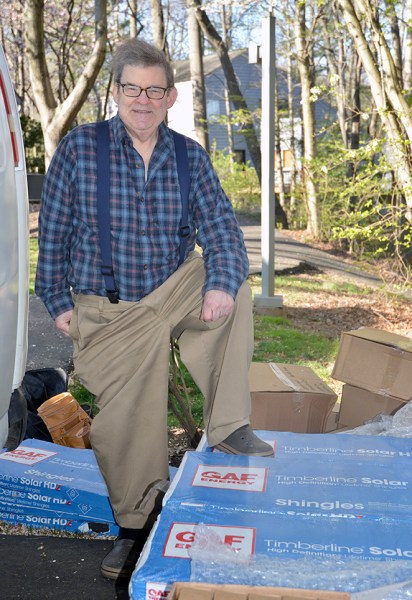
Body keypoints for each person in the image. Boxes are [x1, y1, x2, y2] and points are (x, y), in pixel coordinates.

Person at [35, 38, 273, 580]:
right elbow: (53, 233)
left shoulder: (189, 155)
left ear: (170, 98)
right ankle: (135, 526)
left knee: (230, 281)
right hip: (110, 305)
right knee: (127, 420)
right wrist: (56, 301)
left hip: (172, 285)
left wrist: (219, 284)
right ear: (116, 92)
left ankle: (229, 423)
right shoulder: (80, 149)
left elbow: (221, 230)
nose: (143, 100)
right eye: (132, 88)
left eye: (155, 90)